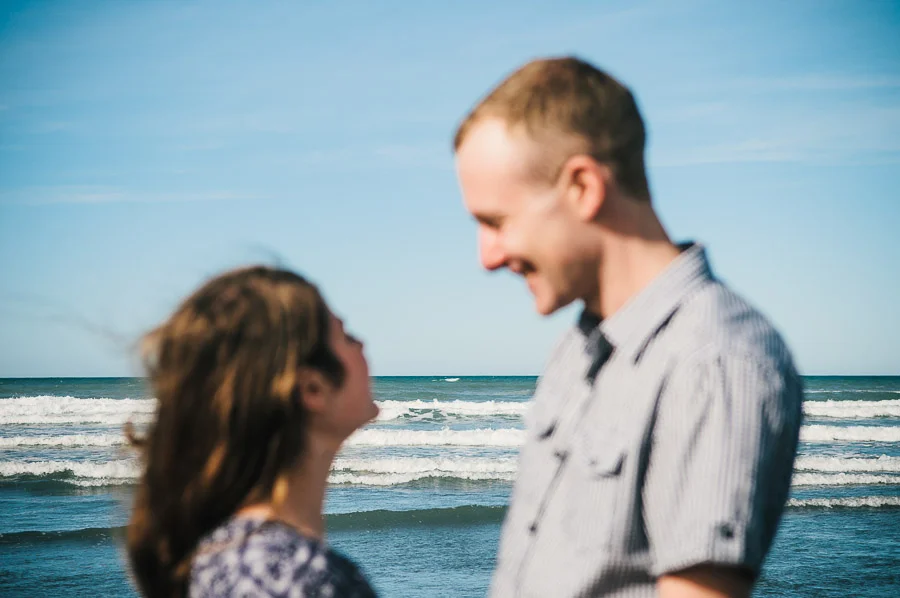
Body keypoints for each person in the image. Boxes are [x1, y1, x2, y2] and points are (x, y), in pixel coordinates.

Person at [453, 57, 803, 598]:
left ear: (583, 188)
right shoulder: (576, 350)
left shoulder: (712, 358)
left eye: (496, 222)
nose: (487, 257)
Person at [125, 266, 379, 598]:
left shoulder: (230, 557)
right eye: (346, 337)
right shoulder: (297, 580)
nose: (362, 344)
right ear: (312, 388)